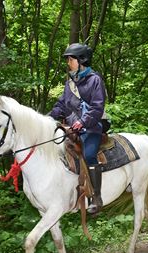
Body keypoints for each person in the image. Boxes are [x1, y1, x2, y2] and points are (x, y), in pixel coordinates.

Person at [49, 43, 107, 214]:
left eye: (70, 59)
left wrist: (83, 122)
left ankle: (97, 197)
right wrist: (48, 117)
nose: (68, 62)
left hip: (91, 127)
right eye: (68, 59)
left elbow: (98, 107)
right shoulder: (70, 83)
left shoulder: (95, 80)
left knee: (89, 155)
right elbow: (61, 105)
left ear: (81, 60)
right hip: (72, 130)